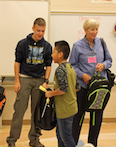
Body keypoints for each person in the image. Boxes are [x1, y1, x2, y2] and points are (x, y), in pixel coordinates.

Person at [6, 17, 52, 147]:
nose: (40, 33)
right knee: (19, 111)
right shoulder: (23, 43)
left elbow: (49, 65)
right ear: (33, 28)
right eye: (38, 30)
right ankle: (12, 140)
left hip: (39, 81)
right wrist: (17, 81)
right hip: (24, 78)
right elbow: (17, 63)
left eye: (43, 31)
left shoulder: (47, 46)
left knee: (37, 112)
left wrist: (46, 82)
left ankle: (34, 139)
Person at [69, 18, 112, 147]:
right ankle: (73, 144)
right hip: (82, 87)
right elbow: (72, 66)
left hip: (98, 88)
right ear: (85, 30)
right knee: (78, 118)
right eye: (92, 29)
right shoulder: (77, 46)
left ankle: (93, 144)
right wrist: (83, 75)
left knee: (96, 119)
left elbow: (109, 60)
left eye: (96, 29)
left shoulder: (102, 43)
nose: (95, 32)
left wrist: (103, 65)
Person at [45, 40, 79, 147]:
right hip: (71, 107)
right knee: (60, 135)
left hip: (65, 110)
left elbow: (63, 89)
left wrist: (50, 94)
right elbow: (77, 87)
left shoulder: (60, 70)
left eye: (54, 52)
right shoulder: (70, 68)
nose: (52, 54)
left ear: (60, 55)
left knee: (66, 137)